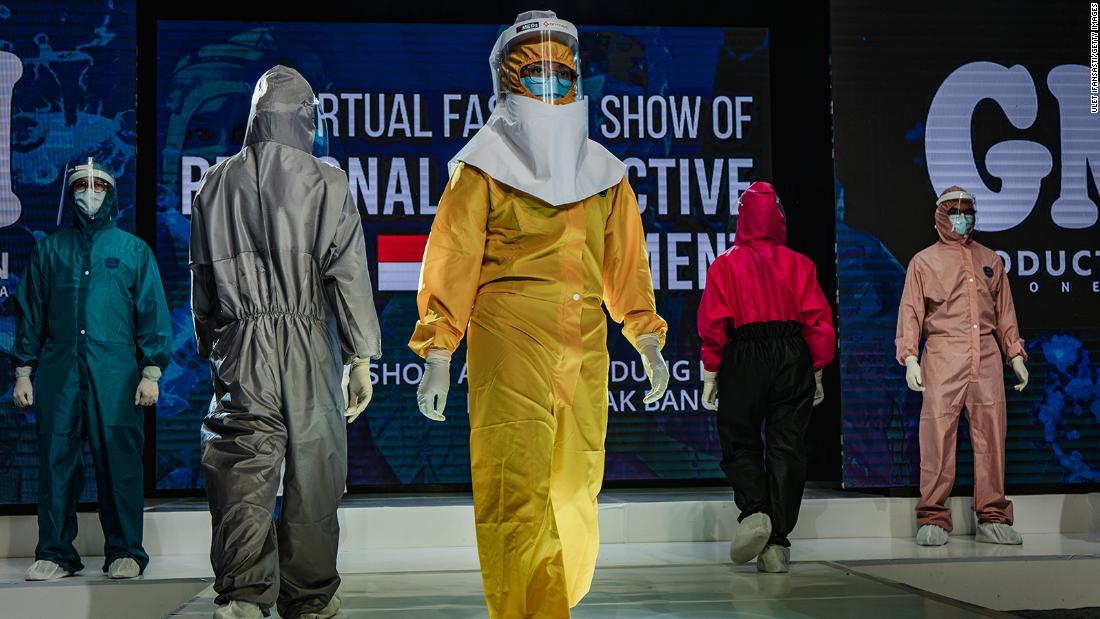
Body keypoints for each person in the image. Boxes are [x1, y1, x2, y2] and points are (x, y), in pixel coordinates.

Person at [409, 11, 669, 617]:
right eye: (536, 76)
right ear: (509, 81)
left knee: (576, 489)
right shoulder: (481, 167)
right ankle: (533, 610)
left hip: (584, 340)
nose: (551, 89)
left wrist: (646, 338)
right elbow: (452, 258)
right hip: (509, 336)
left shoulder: (604, 174)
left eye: (561, 76)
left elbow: (624, 265)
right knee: (515, 487)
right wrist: (439, 352)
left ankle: (555, 599)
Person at [189, 65, 381, 619]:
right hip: (308, 342)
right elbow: (348, 276)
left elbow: (203, 275)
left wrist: (213, 343)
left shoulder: (215, 182)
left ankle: (245, 595)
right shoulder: (327, 181)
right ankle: (310, 596)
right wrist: (361, 356)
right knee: (314, 470)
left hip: (240, 345)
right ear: (305, 118)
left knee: (241, 469)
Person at [14, 158, 172, 581]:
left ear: (111, 192)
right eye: (81, 185)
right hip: (58, 372)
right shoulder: (49, 250)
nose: (89, 192)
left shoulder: (133, 250)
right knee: (54, 459)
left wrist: (151, 371)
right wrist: (24, 371)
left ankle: (125, 551)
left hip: (116, 375)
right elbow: (31, 313)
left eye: (98, 185)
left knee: (119, 462)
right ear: (70, 192)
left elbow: (152, 312)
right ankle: (55, 552)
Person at [697, 181, 835, 573]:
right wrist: (818, 371)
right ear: (777, 217)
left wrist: (711, 371)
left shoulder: (725, 263)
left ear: (743, 218)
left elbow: (713, 323)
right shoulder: (800, 264)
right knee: (787, 446)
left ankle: (755, 511)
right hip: (792, 354)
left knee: (738, 436)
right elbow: (818, 322)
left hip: (744, 353)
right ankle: (777, 542)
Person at [896, 186, 1028, 547]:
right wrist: (909, 357)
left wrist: (1014, 354)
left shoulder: (990, 260)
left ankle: (992, 515)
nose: (962, 218)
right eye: (954, 212)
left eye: (968, 212)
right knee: (937, 437)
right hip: (942, 354)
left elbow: (1005, 314)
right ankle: (933, 516)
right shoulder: (923, 262)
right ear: (940, 215)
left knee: (991, 437)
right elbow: (911, 313)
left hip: (985, 356)